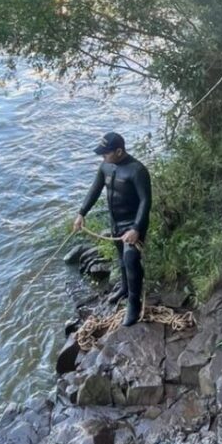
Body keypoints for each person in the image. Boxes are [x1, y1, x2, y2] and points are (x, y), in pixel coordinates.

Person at [73, 132, 152, 326]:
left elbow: (145, 201)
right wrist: (81, 213)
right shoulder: (105, 166)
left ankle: (133, 304)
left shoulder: (137, 170)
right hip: (115, 222)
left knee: (130, 259)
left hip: (133, 224)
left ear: (119, 151)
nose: (103, 157)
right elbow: (95, 189)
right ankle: (124, 288)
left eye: (106, 153)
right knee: (121, 258)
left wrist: (136, 228)